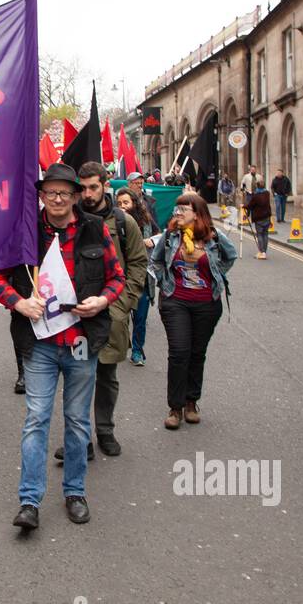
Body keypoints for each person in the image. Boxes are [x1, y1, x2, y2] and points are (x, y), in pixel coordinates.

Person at [0, 163, 125, 531]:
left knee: (77, 423)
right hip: (39, 344)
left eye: (65, 193)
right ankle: (29, 501)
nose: (58, 199)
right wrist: (18, 302)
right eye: (51, 193)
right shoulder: (24, 232)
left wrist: (101, 301)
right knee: (36, 420)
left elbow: (117, 277)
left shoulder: (95, 230)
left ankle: (75, 492)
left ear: (77, 196)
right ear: (41, 196)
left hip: (81, 341)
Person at [67, 161, 147, 459]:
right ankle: (80, 438)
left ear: (105, 185)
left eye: (93, 187)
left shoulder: (124, 223)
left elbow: (138, 263)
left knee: (106, 376)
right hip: (74, 315)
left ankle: (105, 430)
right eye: (83, 188)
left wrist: (123, 304)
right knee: (77, 377)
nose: (87, 194)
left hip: (110, 312)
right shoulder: (69, 220)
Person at [149, 192, 237, 430]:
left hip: (207, 304)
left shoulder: (213, 237)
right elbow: (155, 261)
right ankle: (175, 408)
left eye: (182, 210)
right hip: (175, 301)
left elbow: (231, 256)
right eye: (176, 210)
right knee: (179, 352)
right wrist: (165, 283)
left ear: (197, 214)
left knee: (197, 353)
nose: (177, 214)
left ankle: (191, 403)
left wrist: (215, 276)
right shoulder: (170, 236)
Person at [116, 187, 156, 366]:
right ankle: (124, 342)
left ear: (134, 203)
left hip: (142, 277)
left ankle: (138, 351)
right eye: (119, 203)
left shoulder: (146, 221)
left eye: (126, 202)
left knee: (140, 318)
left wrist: (151, 241)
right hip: (119, 278)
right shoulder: (113, 223)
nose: (122, 206)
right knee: (120, 316)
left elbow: (160, 236)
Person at [245, 177, 273, 260]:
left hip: (259, 217)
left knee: (260, 234)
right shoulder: (267, 193)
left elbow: (250, 205)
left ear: (257, 186)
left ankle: (262, 252)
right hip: (267, 216)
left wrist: (244, 206)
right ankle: (264, 251)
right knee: (265, 234)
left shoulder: (256, 196)